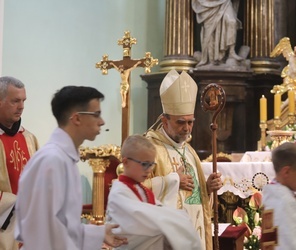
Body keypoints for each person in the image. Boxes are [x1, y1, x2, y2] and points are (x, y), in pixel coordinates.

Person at [15, 86, 127, 249]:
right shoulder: (52, 160)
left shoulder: (65, 158)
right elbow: (41, 231)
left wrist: (99, 233)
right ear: (76, 119)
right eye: (96, 114)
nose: (102, 121)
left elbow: (62, 227)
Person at [144, 69, 222, 250]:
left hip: (195, 232)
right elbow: (133, 189)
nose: (187, 128)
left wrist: (207, 189)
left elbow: (195, 199)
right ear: (164, 121)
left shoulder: (189, 151)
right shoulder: (149, 149)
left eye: (190, 122)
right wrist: (172, 181)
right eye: (181, 122)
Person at [106, 134, 202, 250]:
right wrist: (180, 220)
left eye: (152, 164)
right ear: (126, 162)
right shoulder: (119, 192)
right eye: (144, 164)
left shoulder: (143, 190)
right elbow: (145, 219)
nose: (149, 170)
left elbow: (158, 213)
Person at [0, 76, 39, 250]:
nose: (22, 106)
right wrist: (15, 201)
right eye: (15, 101)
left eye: (23, 100)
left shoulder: (29, 139)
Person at [192, 0, 243, 67]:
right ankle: (212, 59)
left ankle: (231, 51)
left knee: (231, 21)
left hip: (225, 2)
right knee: (210, 32)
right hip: (207, 4)